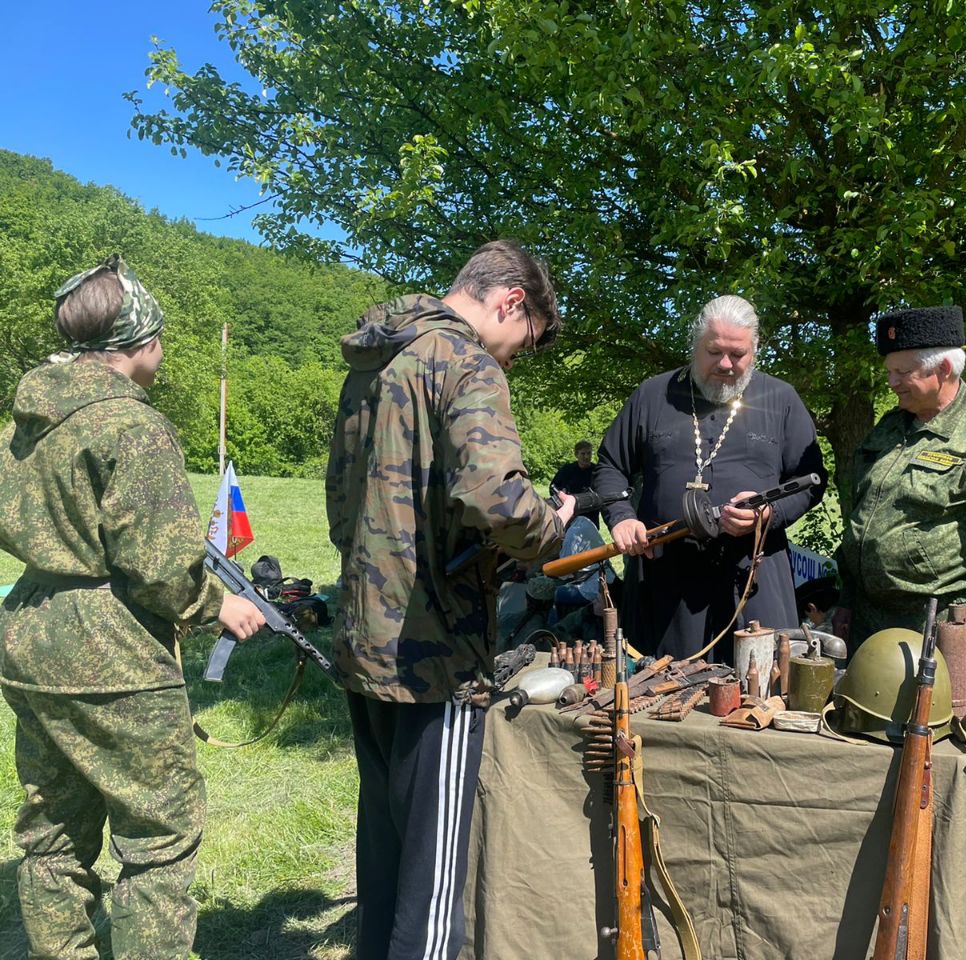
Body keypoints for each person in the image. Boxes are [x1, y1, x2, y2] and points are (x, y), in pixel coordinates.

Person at [0, 254, 265, 960]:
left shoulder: (26, 421)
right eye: (160, 341)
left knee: (53, 835)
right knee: (159, 841)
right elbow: (160, 567)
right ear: (140, 344)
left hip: (29, 638)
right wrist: (220, 608)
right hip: (111, 651)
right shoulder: (133, 427)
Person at [326, 240, 574, 960]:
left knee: (384, 852)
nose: (511, 362)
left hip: (365, 634)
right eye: (519, 347)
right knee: (432, 885)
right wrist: (550, 529)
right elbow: (496, 495)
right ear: (510, 302)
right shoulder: (465, 362)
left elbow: (342, 505)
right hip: (436, 651)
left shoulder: (377, 361)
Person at [594, 294, 827, 660]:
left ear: (754, 351)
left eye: (738, 354)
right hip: (664, 580)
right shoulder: (653, 395)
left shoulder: (781, 399)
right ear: (695, 346)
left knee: (759, 693)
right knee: (659, 698)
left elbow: (812, 481)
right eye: (714, 351)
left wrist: (768, 514)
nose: (725, 364)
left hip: (753, 578)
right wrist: (622, 518)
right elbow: (609, 464)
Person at [831, 305, 966, 650]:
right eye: (889, 371)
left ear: (943, 369)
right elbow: (864, 523)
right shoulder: (888, 428)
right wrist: (847, 600)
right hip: (867, 622)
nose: (892, 382)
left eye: (903, 372)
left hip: (937, 631)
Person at [551, 439, 600, 526]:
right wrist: (561, 499)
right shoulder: (567, 469)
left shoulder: (596, 471)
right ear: (576, 454)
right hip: (570, 513)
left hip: (590, 513)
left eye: (589, 453)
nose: (586, 457)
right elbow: (553, 486)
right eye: (583, 453)